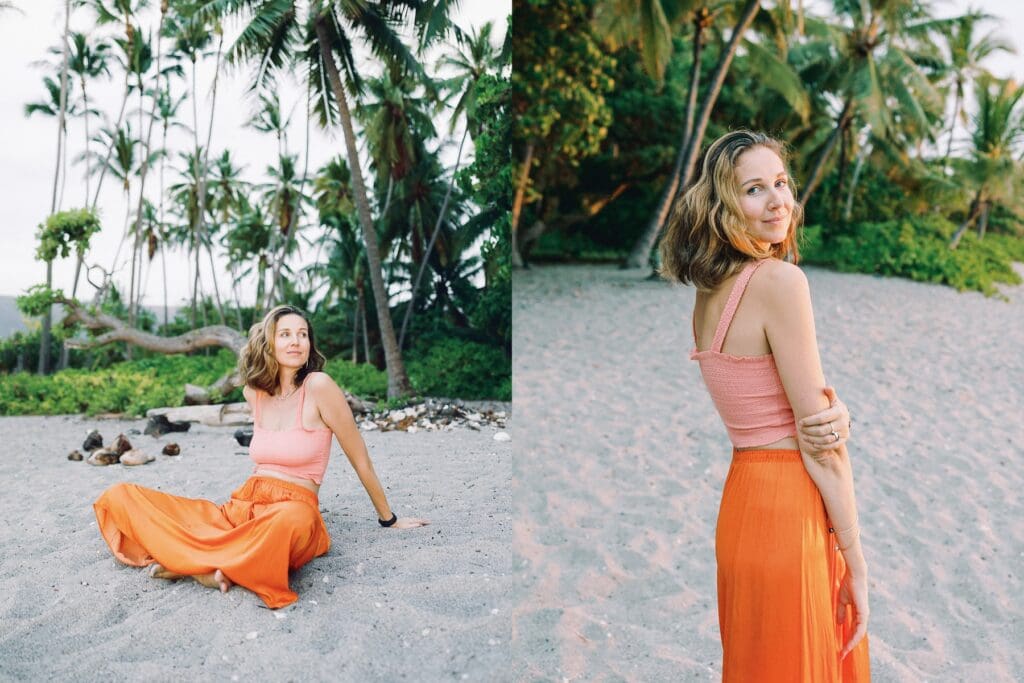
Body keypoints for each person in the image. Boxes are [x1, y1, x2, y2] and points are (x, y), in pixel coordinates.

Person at [660, 130, 870, 680]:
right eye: (754, 189)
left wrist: (834, 408)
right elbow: (821, 446)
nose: (778, 200)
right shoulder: (780, 282)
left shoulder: (709, 295)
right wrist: (857, 560)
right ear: (724, 206)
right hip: (790, 508)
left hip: (742, 505)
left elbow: (767, 405)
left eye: (781, 182)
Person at [93, 304, 428, 609]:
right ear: (270, 342)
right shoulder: (255, 393)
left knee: (285, 525)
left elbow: (360, 459)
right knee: (120, 496)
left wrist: (389, 518)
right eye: (285, 334)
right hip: (241, 509)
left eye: (302, 334)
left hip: (293, 511)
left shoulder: (320, 387)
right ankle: (205, 566)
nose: (296, 342)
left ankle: (189, 562)